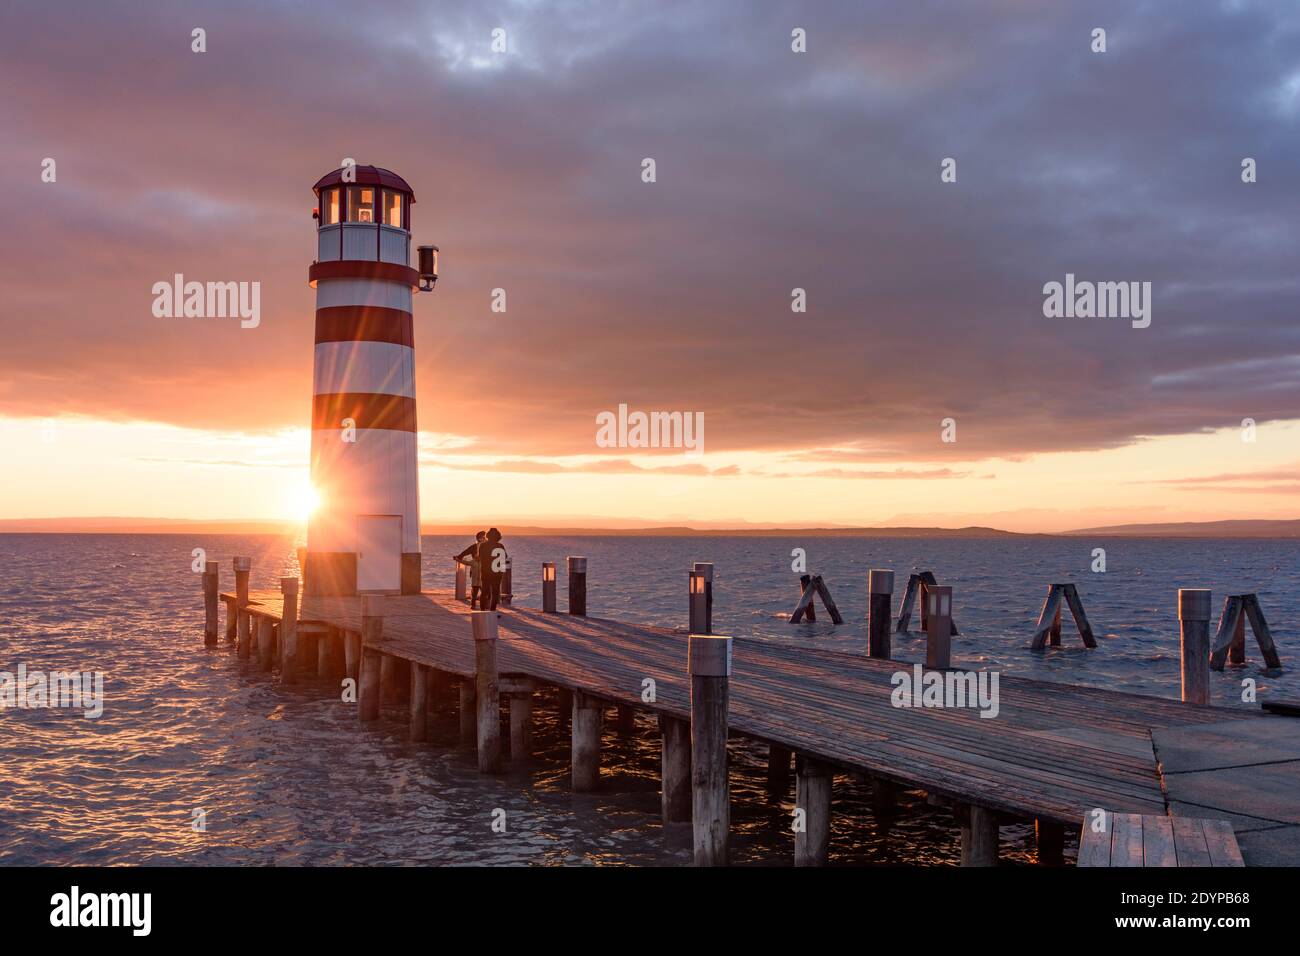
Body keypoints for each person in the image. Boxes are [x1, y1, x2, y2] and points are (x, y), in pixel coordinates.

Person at [453, 531, 486, 608]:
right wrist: (459, 557)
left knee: (478, 591)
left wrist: (459, 557)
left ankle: (477, 604)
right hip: (480, 572)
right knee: (482, 591)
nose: (485, 538)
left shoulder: (474, 547)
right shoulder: (485, 547)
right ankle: (481, 605)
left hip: (477, 570)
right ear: (481, 538)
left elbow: (465, 552)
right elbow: (466, 552)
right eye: (483, 537)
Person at [478, 528, 508, 611]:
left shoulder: (483, 545)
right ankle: (492, 610)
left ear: (488, 536)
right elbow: (505, 557)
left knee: (484, 592)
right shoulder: (500, 546)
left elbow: (480, 557)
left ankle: (482, 611)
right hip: (497, 572)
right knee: (495, 592)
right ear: (498, 536)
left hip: (485, 571)